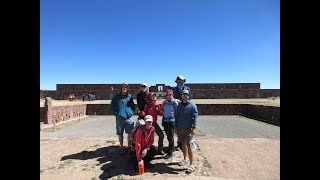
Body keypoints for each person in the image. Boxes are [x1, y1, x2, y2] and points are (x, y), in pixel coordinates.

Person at [175, 89, 198, 173]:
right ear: (181, 96)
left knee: (189, 146)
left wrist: (194, 127)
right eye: (183, 95)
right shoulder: (179, 105)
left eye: (186, 95)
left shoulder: (192, 106)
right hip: (180, 128)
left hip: (188, 129)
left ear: (188, 96)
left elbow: (195, 117)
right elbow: (176, 116)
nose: (184, 96)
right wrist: (176, 127)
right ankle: (185, 159)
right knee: (183, 144)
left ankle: (191, 164)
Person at [110, 83, 135, 150]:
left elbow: (133, 106)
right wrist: (116, 114)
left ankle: (129, 146)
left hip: (129, 118)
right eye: (123, 87)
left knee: (130, 133)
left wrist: (131, 113)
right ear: (121, 88)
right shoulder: (116, 97)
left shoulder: (129, 97)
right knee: (120, 133)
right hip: (120, 118)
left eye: (126, 87)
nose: (124, 88)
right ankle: (121, 146)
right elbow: (112, 106)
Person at [173, 75, 192, 151]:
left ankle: (187, 143)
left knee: (186, 126)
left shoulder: (187, 89)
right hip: (177, 109)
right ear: (177, 81)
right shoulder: (174, 89)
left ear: (183, 81)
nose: (180, 81)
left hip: (186, 109)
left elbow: (190, 98)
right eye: (179, 80)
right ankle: (179, 143)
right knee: (178, 126)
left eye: (181, 80)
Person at [160, 89, 180, 159]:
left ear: (172, 95)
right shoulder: (164, 103)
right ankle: (171, 148)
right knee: (168, 136)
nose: (168, 96)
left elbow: (177, 112)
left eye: (170, 95)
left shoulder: (175, 102)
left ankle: (170, 152)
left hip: (172, 121)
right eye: (167, 95)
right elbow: (162, 111)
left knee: (171, 136)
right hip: (165, 121)